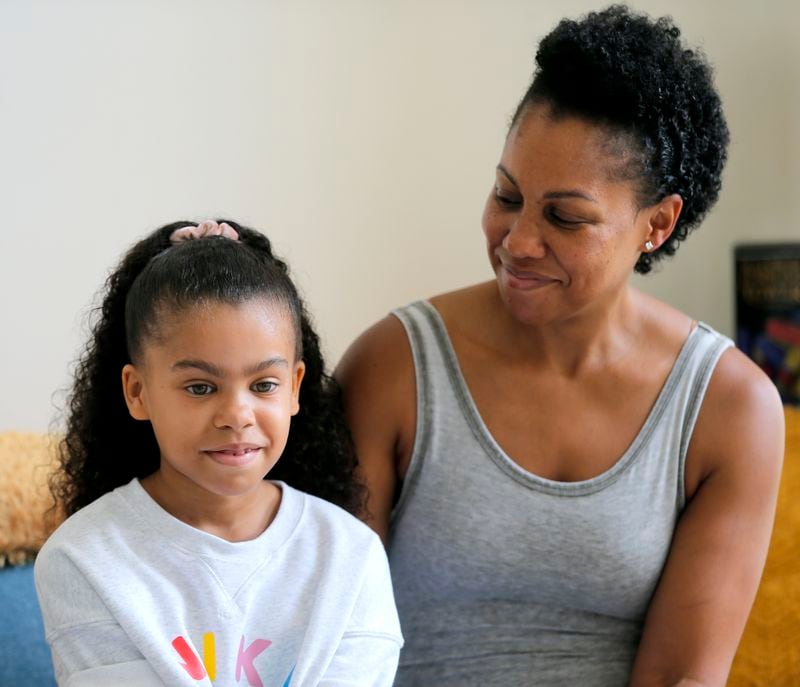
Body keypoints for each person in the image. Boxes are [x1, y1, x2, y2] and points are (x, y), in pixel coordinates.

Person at [335, 6, 784, 686]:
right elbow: (330, 638)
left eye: (565, 217)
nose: (517, 241)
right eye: (506, 195)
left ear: (657, 223)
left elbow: (682, 676)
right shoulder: (393, 366)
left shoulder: (730, 409)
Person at [36, 220, 403, 686]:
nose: (236, 414)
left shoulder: (351, 555)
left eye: (263, 385)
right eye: (200, 386)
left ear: (294, 389)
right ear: (137, 392)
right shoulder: (84, 558)